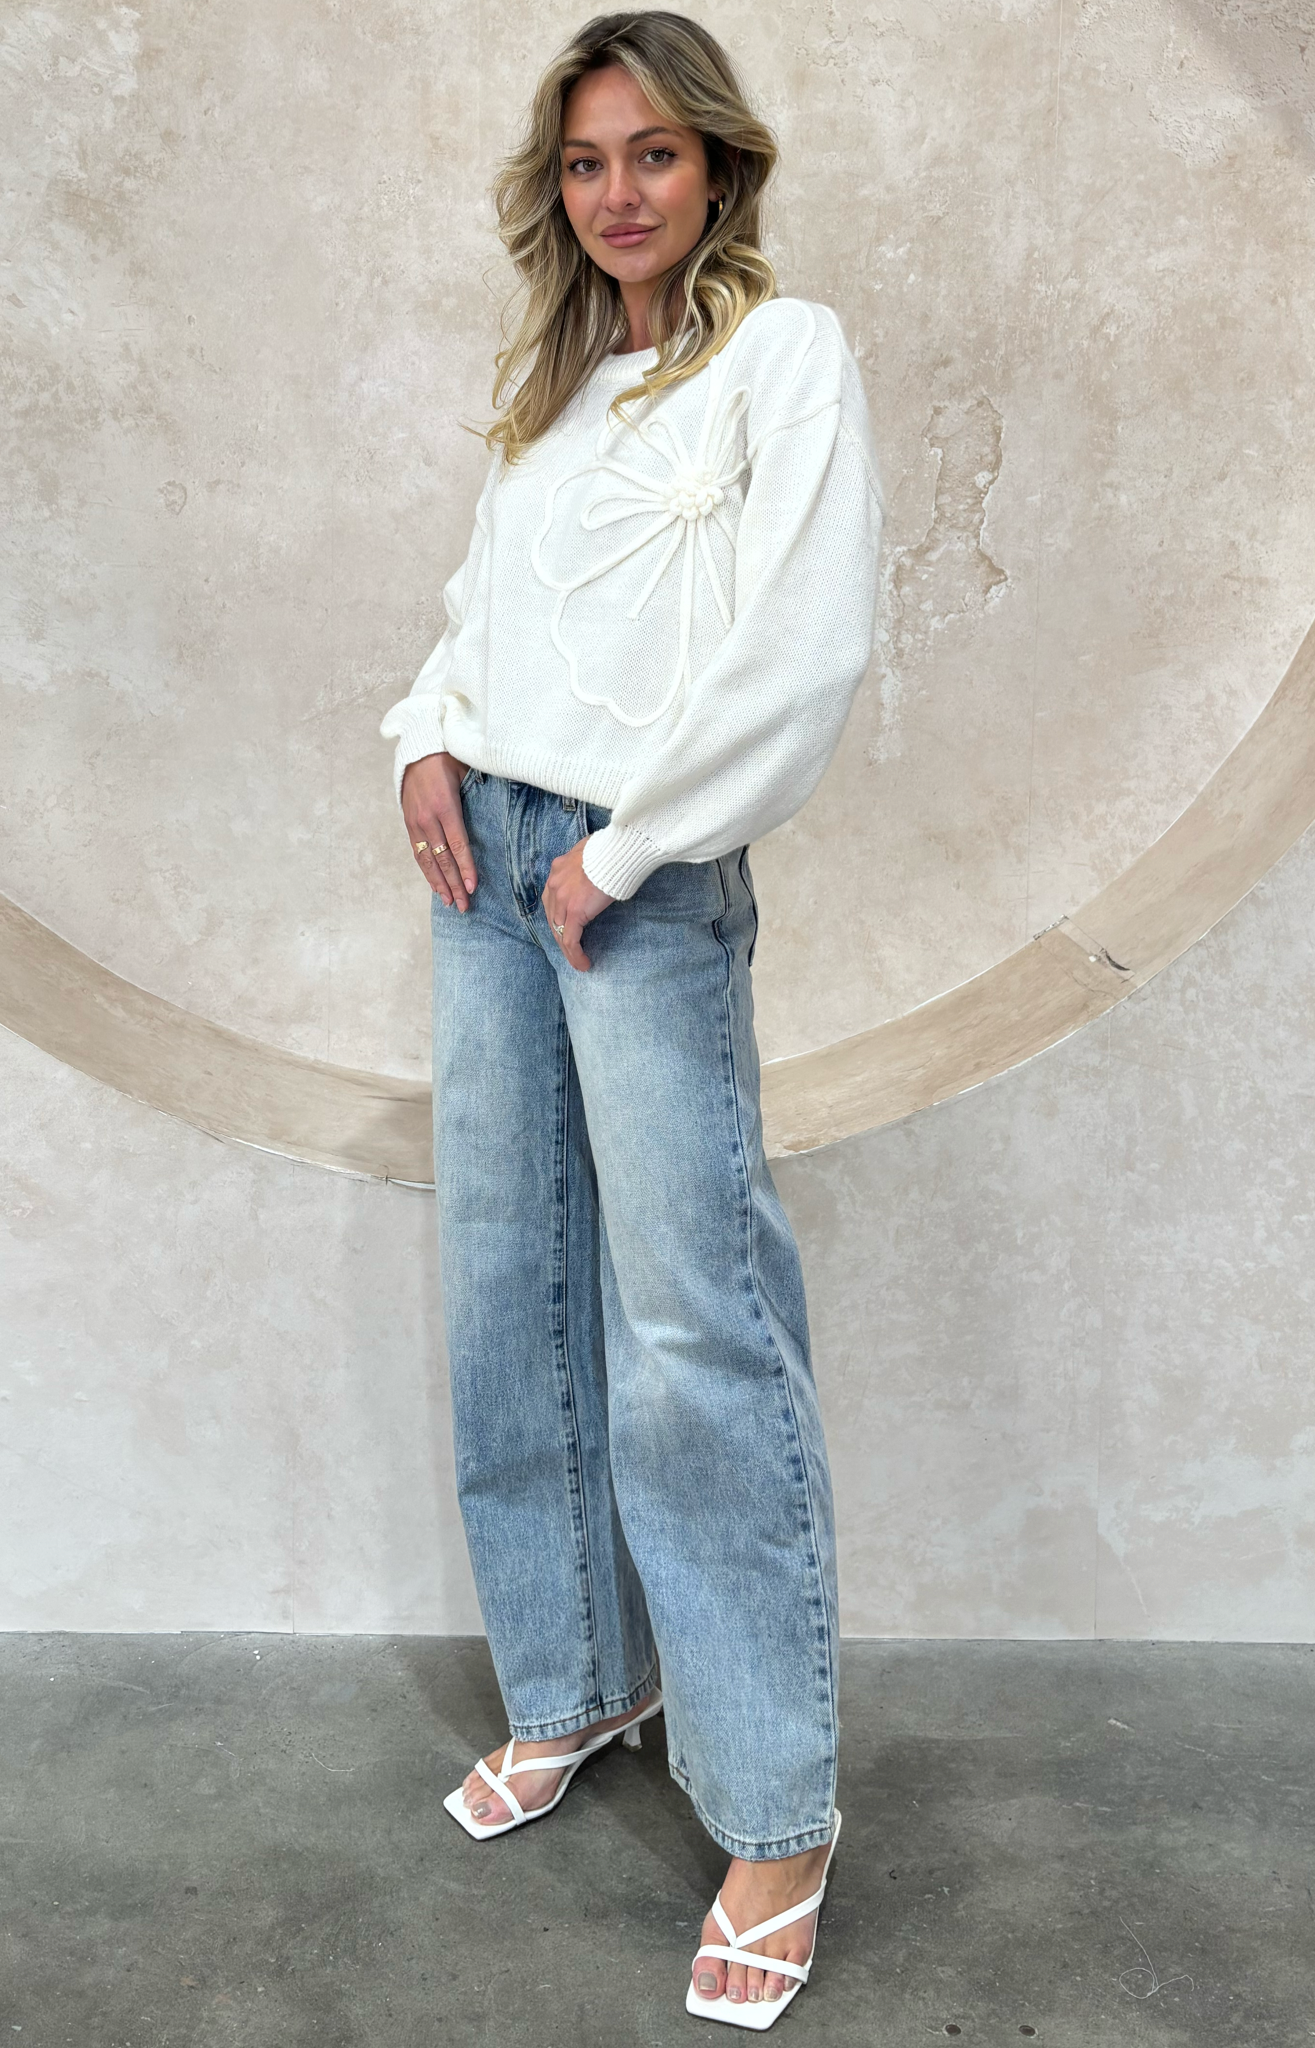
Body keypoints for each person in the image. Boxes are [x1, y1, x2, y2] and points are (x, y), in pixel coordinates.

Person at [379, 11, 883, 2027]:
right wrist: (426, 737)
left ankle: (775, 1812)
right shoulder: (566, 379)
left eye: (653, 155)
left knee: (692, 1325)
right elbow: (487, 614)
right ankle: (576, 1681)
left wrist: (627, 849)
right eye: (586, 161)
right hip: (487, 866)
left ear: (719, 166)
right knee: (510, 1284)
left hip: (634, 883)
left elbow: (804, 645)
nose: (618, 194)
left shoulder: (785, 357)